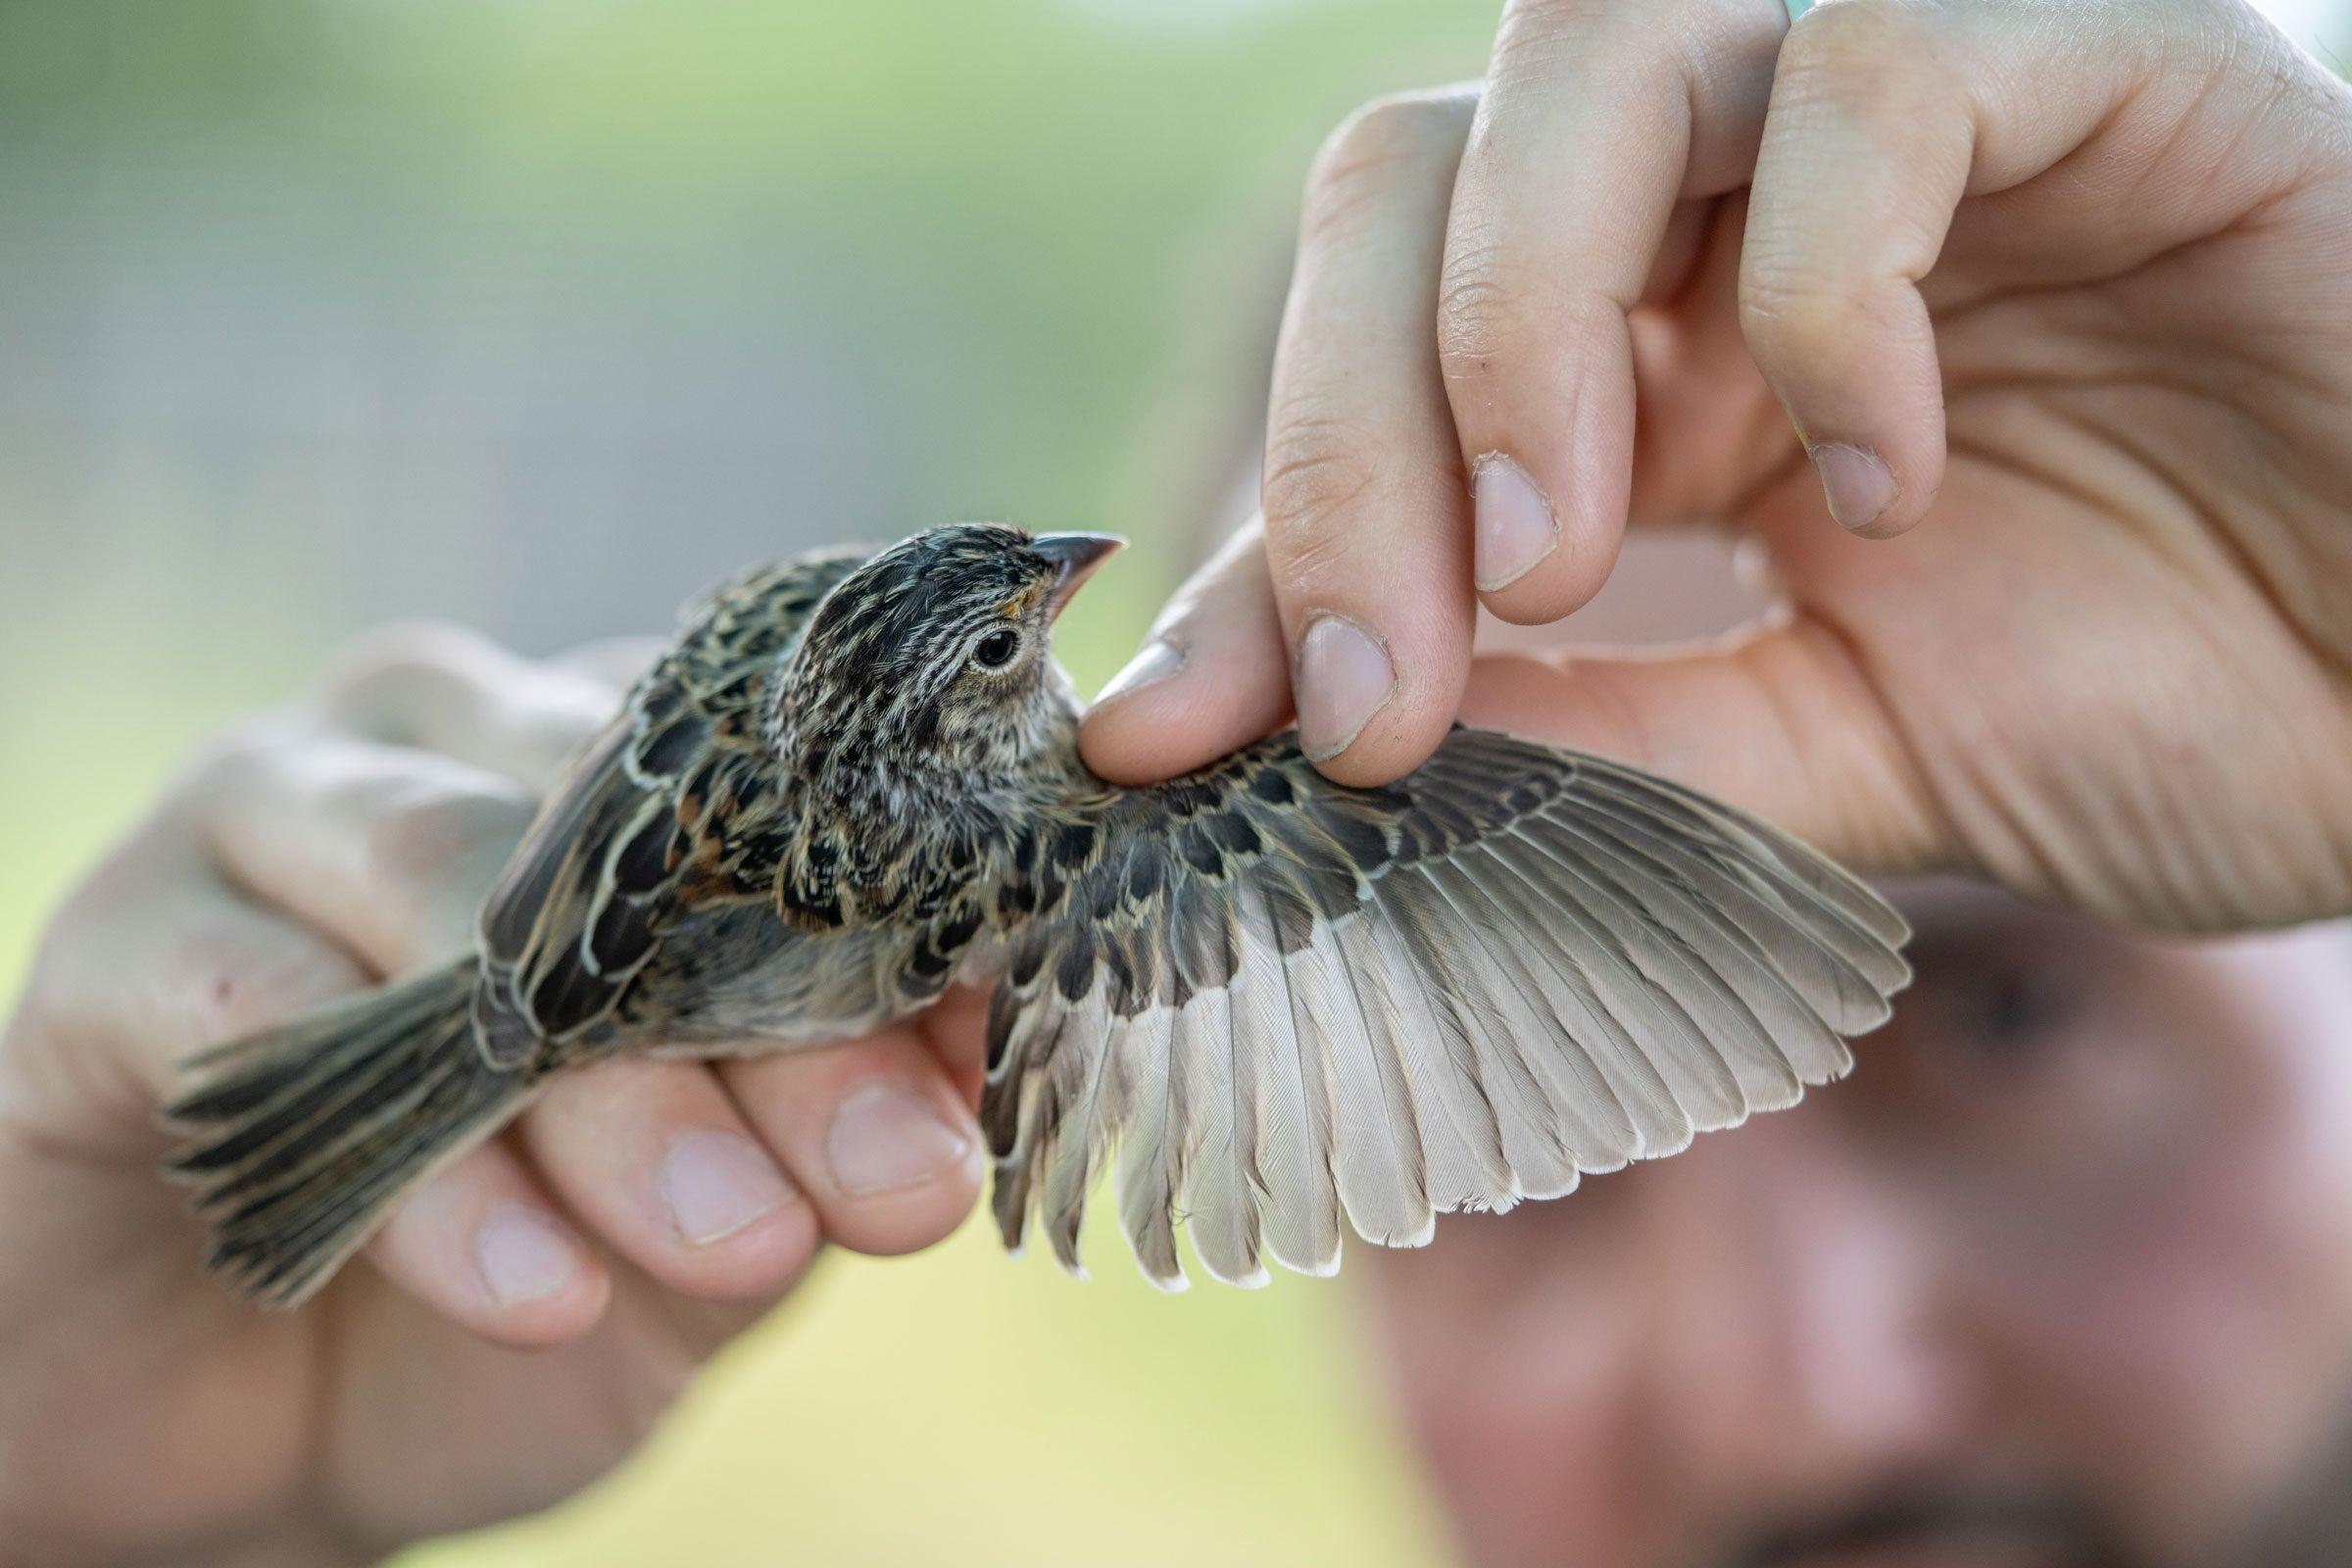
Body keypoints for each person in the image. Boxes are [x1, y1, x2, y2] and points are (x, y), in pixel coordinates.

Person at [4, 0, 2350, 1562]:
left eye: (2019, 1020)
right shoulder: (1065, 837)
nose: (1791, 1391)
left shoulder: (790, 686)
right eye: (1516, 1175)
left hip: (514, 990)